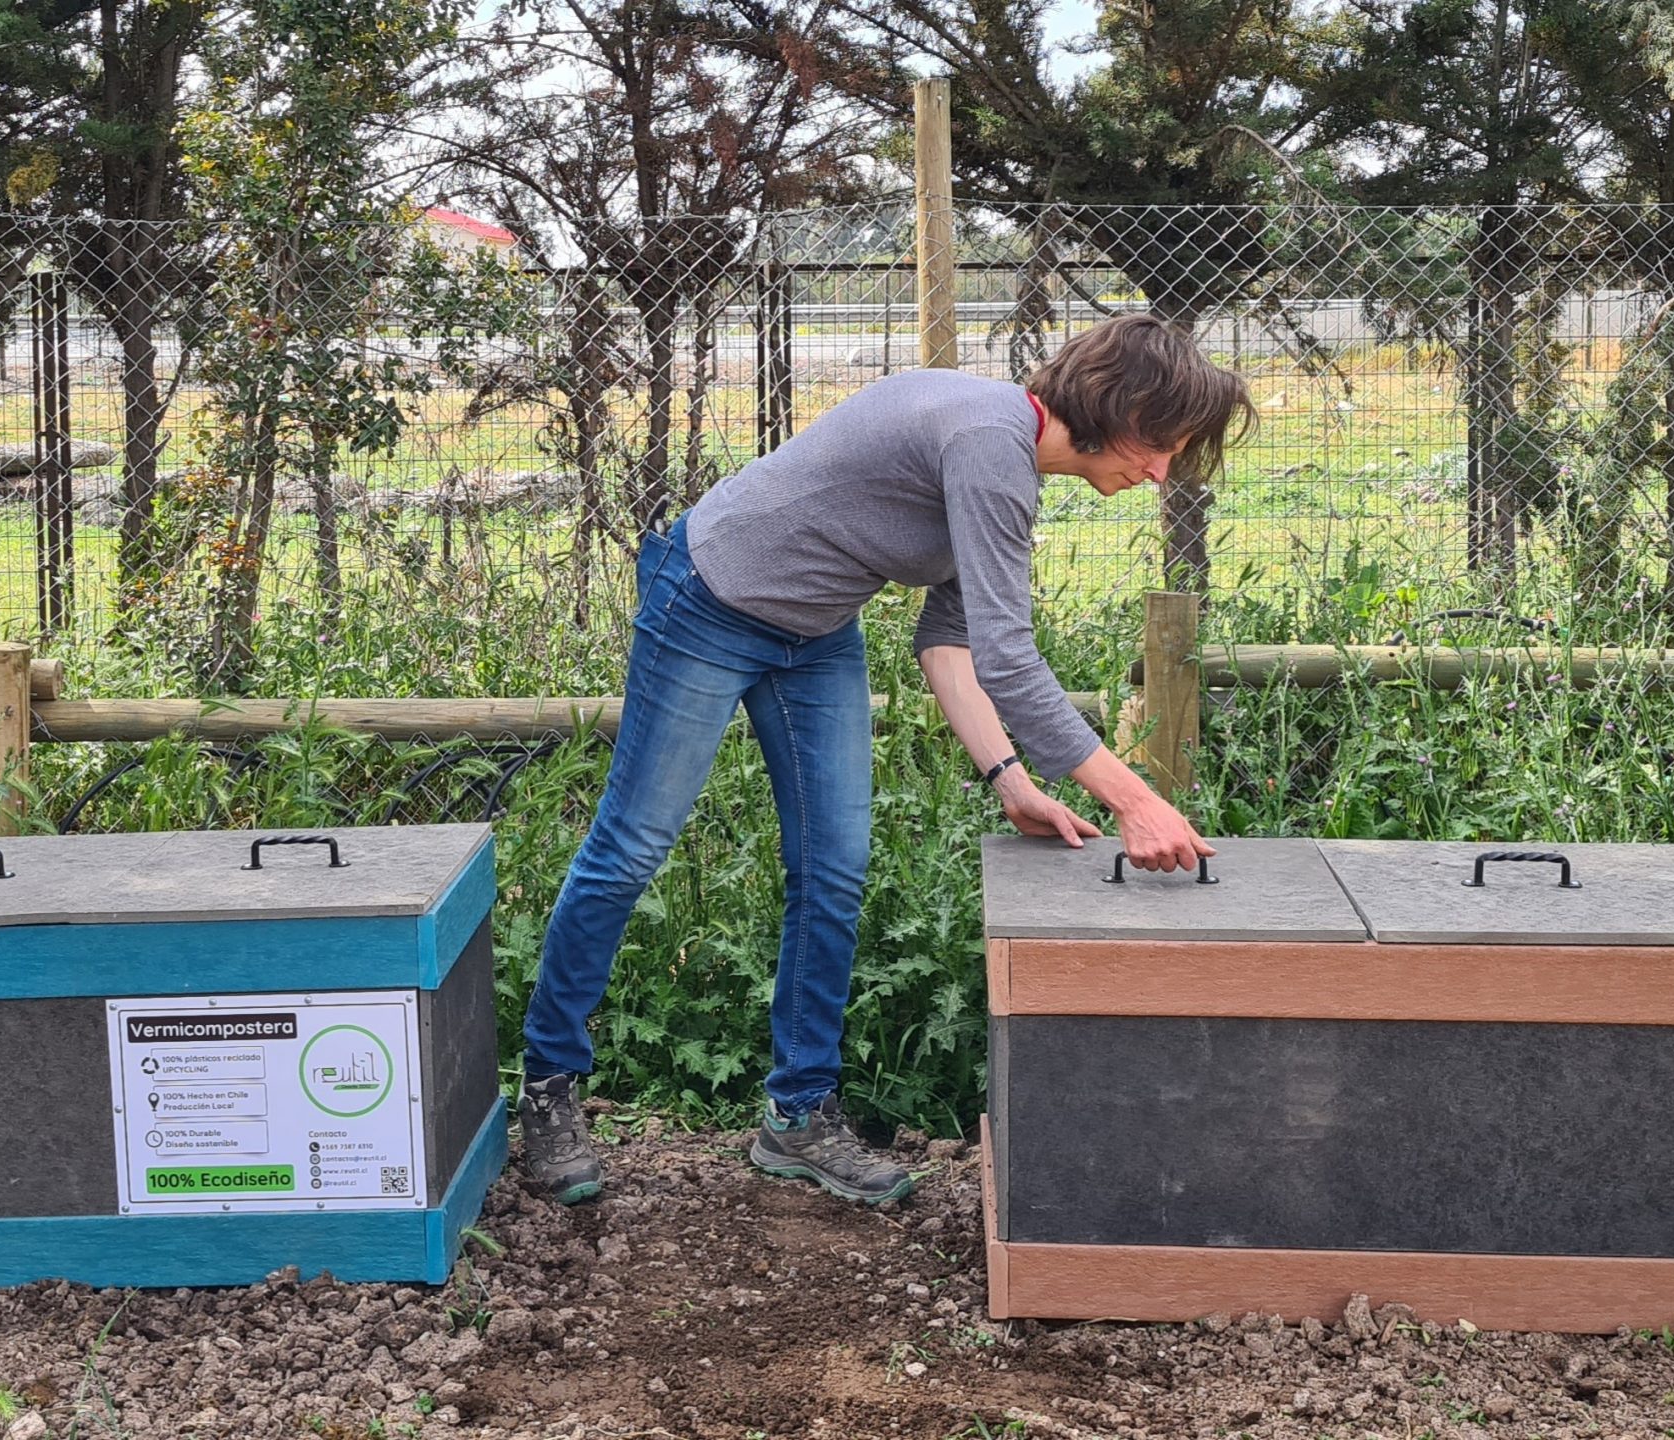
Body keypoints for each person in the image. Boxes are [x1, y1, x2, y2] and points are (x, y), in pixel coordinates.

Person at [516, 315, 1248, 1206]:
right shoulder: (988, 439)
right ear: (1112, 406)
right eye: (1159, 444)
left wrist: (1007, 780)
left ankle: (797, 1117)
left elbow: (954, 640)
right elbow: (1012, 661)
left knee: (834, 868)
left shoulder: (1006, 464)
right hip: (707, 599)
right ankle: (549, 1086)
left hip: (815, 633)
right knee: (632, 846)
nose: (1161, 472)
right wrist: (1134, 800)